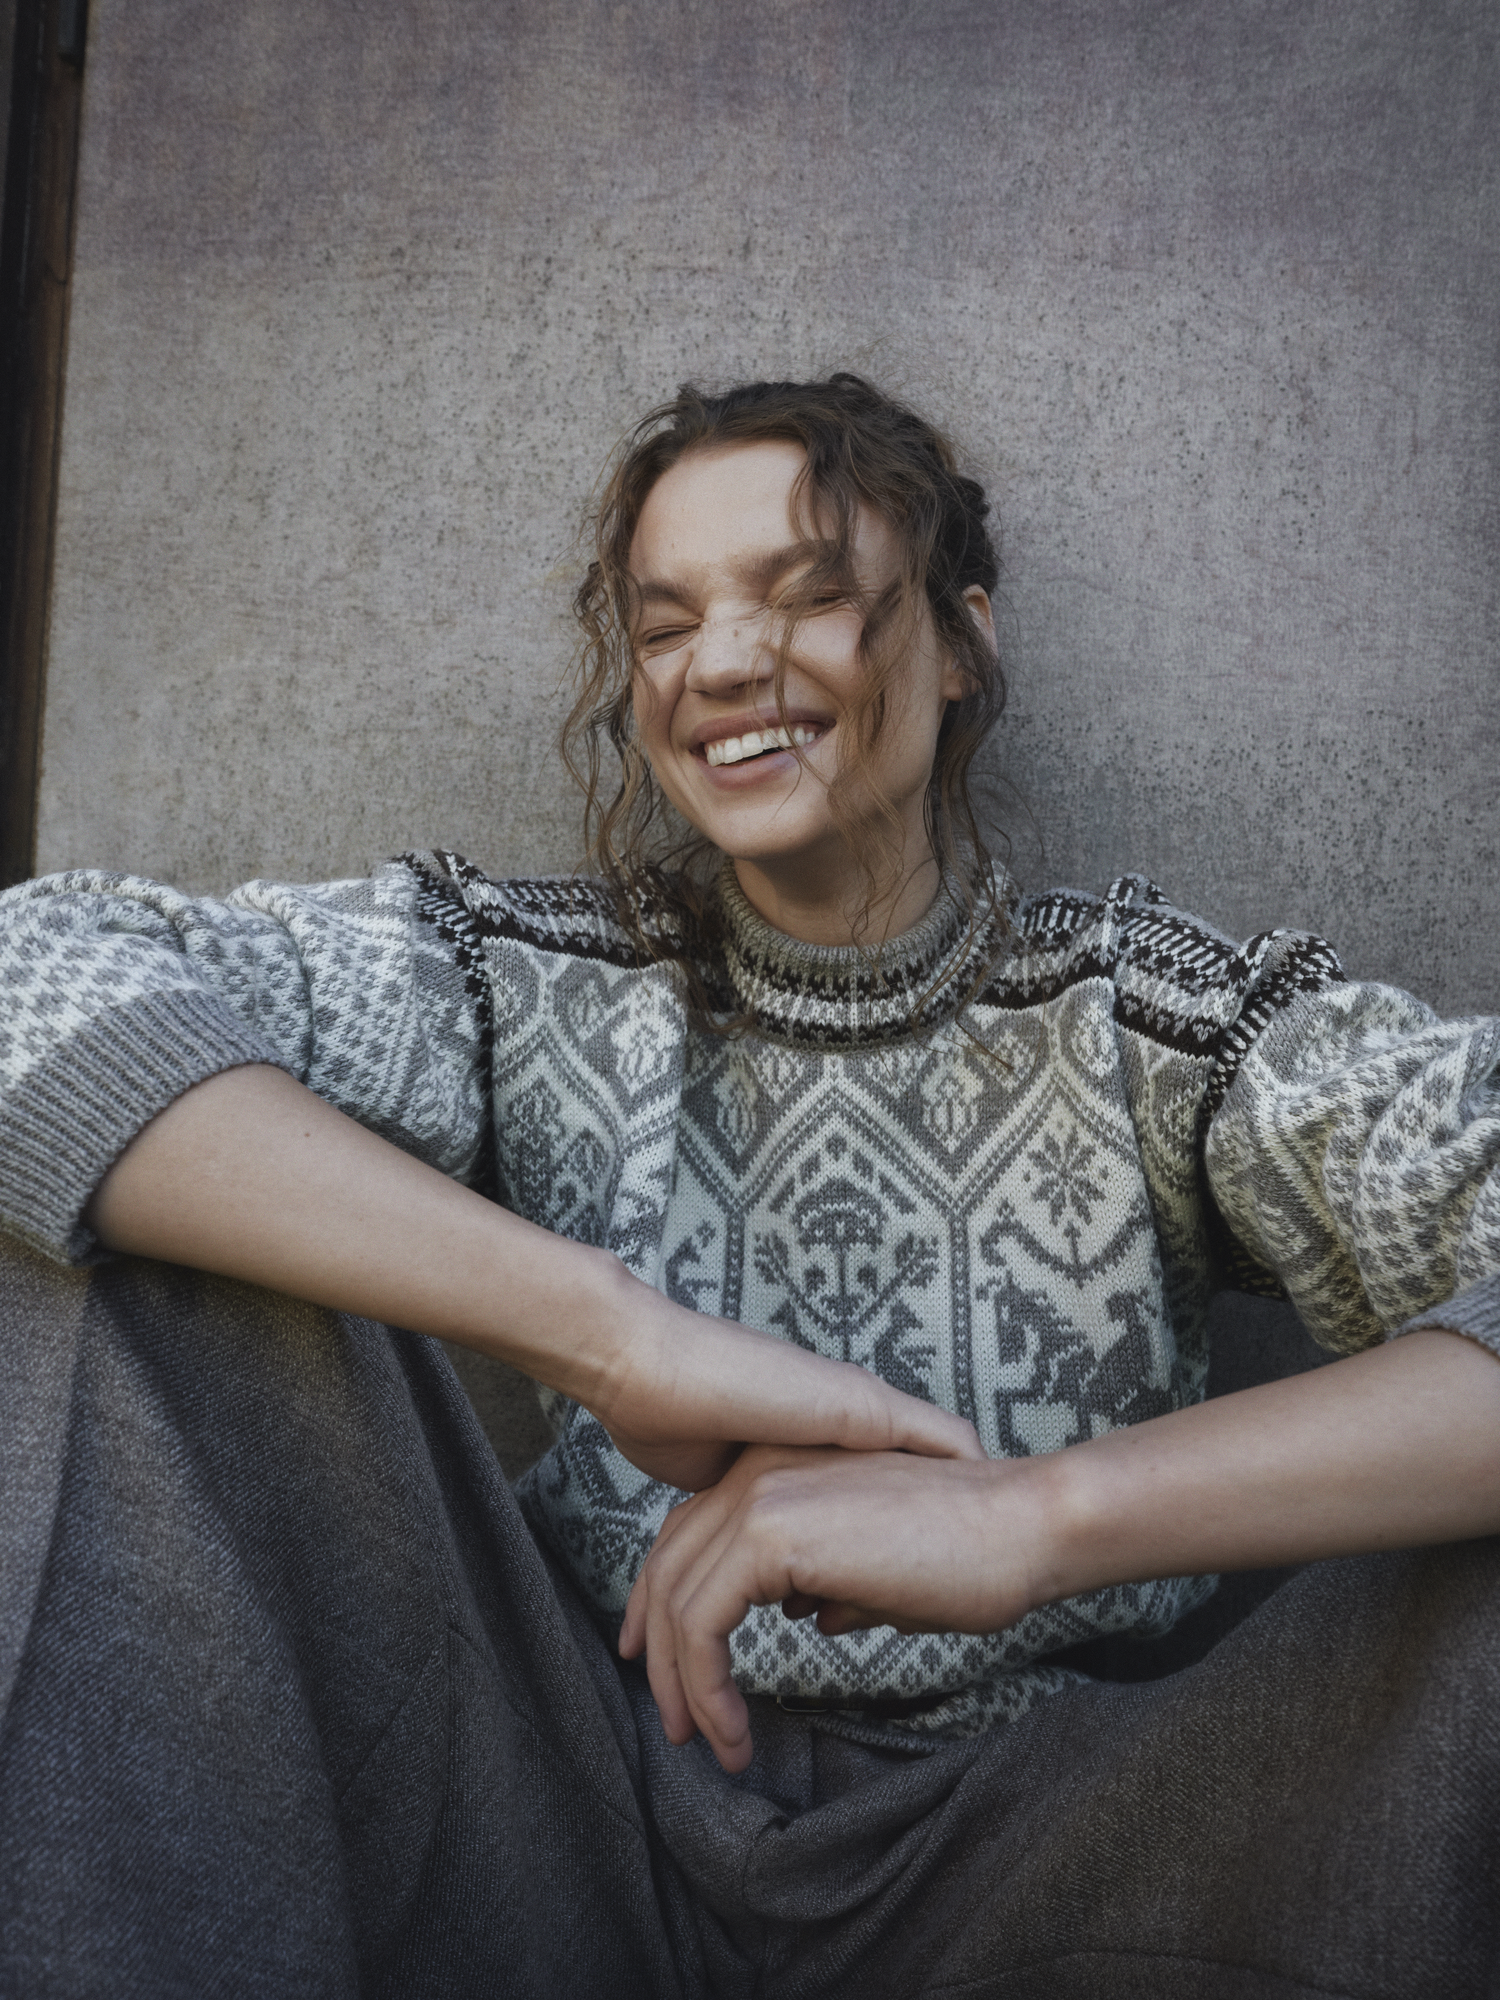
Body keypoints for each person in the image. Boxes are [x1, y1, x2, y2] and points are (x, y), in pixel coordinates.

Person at [1, 371, 1497, 1998]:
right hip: (579, 1802)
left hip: (1065, 1843)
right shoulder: (515, 981)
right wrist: (609, 1338)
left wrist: (1033, 1517)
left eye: (812, 596)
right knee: (81, 1203)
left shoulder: (1162, 1020)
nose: (721, 665)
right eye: (664, 627)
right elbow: (28, 982)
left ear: (960, 639)